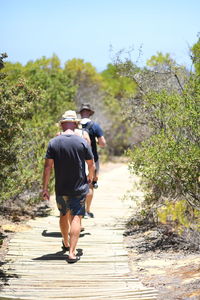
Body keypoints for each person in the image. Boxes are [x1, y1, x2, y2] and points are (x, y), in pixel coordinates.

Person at [42, 110, 95, 263]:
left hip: (61, 187)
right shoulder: (82, 142)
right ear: (75, 124)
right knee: (77, 217)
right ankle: (72, 253)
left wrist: (45, 188)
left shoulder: (54, 142)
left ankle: (65, 242)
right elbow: (90, 164)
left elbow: (47, 168)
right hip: (78, 187)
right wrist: (90, 176)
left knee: (63, 214)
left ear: (63, 124)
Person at [78, 103, 106, 218]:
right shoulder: (95, 126)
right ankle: (87, 210)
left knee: (78, 184)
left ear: (81, 113)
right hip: (92, 159)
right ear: (90, 113)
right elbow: (103, 143)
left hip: (77, 159)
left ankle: (78, 209)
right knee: (90, 184)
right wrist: (97, 142)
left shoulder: (75, 125)